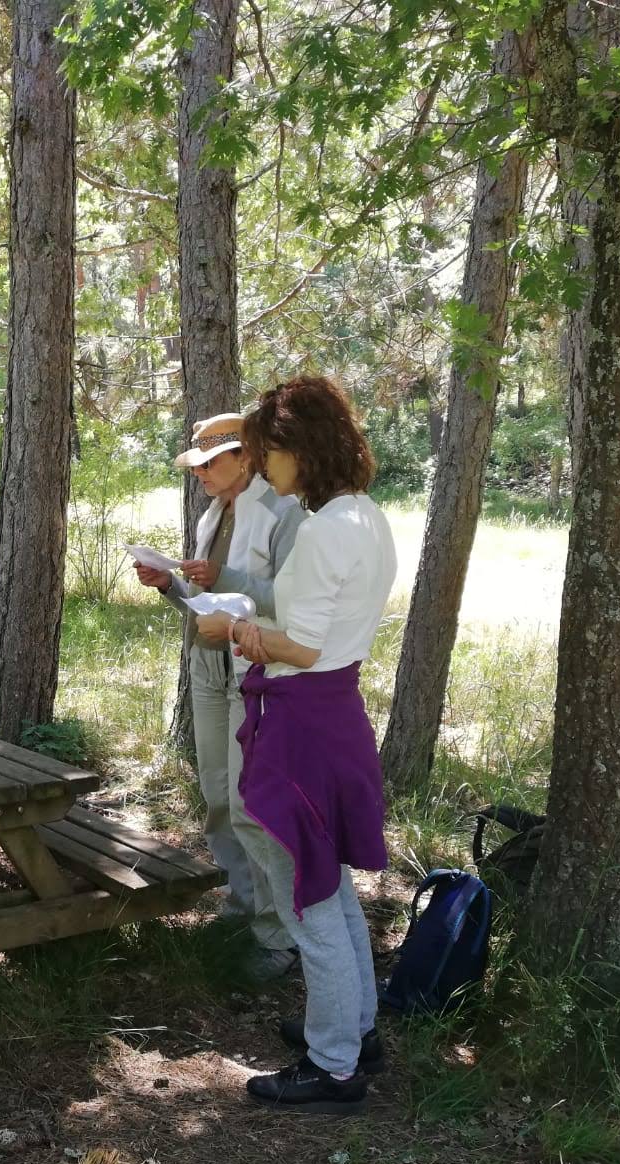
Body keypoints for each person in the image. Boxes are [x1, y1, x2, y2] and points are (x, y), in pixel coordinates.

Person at [221, 376, 398, 1115]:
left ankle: (333, 1068)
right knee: (328, 883)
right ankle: (354, 1028)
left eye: (268, 453)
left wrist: (236, 630)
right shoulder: (366, 516)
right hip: (334, 713)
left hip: (302, 722)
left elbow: (303, 646)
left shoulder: (325, 529)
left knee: (307, 895)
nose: (263, 468)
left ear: (301, 447)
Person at [136, 412, 305, 979]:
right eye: (197, 464)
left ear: (246, 457)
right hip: (209, 663)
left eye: (211, 462)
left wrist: (220, 578)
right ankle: (241, 907)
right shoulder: (214, 513)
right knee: (216, 794)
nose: (200, 473)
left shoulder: (283, 512)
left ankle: (279, 935)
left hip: (256, 670)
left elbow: (292, 601)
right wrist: (171, 584)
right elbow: (208, 601)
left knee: (248, 802)